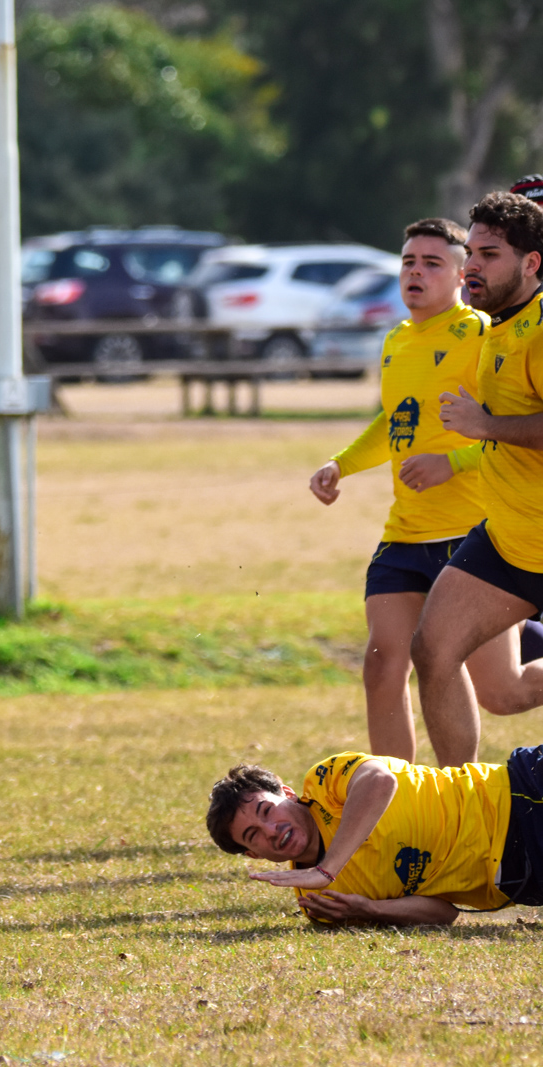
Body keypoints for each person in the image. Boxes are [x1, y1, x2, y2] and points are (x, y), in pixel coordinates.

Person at [308, 218, 543, 762]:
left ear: (463, 274)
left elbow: (504, 428)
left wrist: (452, 462)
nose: (416, 271)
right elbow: (394, 421)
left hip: (470, 531)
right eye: (408, 261)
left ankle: (457, 803)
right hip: (404, 532)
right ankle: (403, 803)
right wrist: (341, 465)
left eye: (432, 263)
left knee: (502, 694)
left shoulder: (484, 332)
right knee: (381, 663)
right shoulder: (396, 340)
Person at [412, 191, 543, 765]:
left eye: (488, 254)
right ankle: (464, 813)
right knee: (433, 651)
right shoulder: (494, 326)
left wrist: (486, 423)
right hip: (510, 541)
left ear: (532, 263)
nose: (471, 266)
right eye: (469, 252)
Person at [206, 748, 543, 926]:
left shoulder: (324, 782)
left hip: (517, 793)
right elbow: (444, 914)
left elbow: (380, 781)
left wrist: (326, 869)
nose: (271, 830)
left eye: (267, 811)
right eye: (254, 836)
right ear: (253, 855)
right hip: (519, 873)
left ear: (288, 793)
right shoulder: (322, 902)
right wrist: (373, 910)